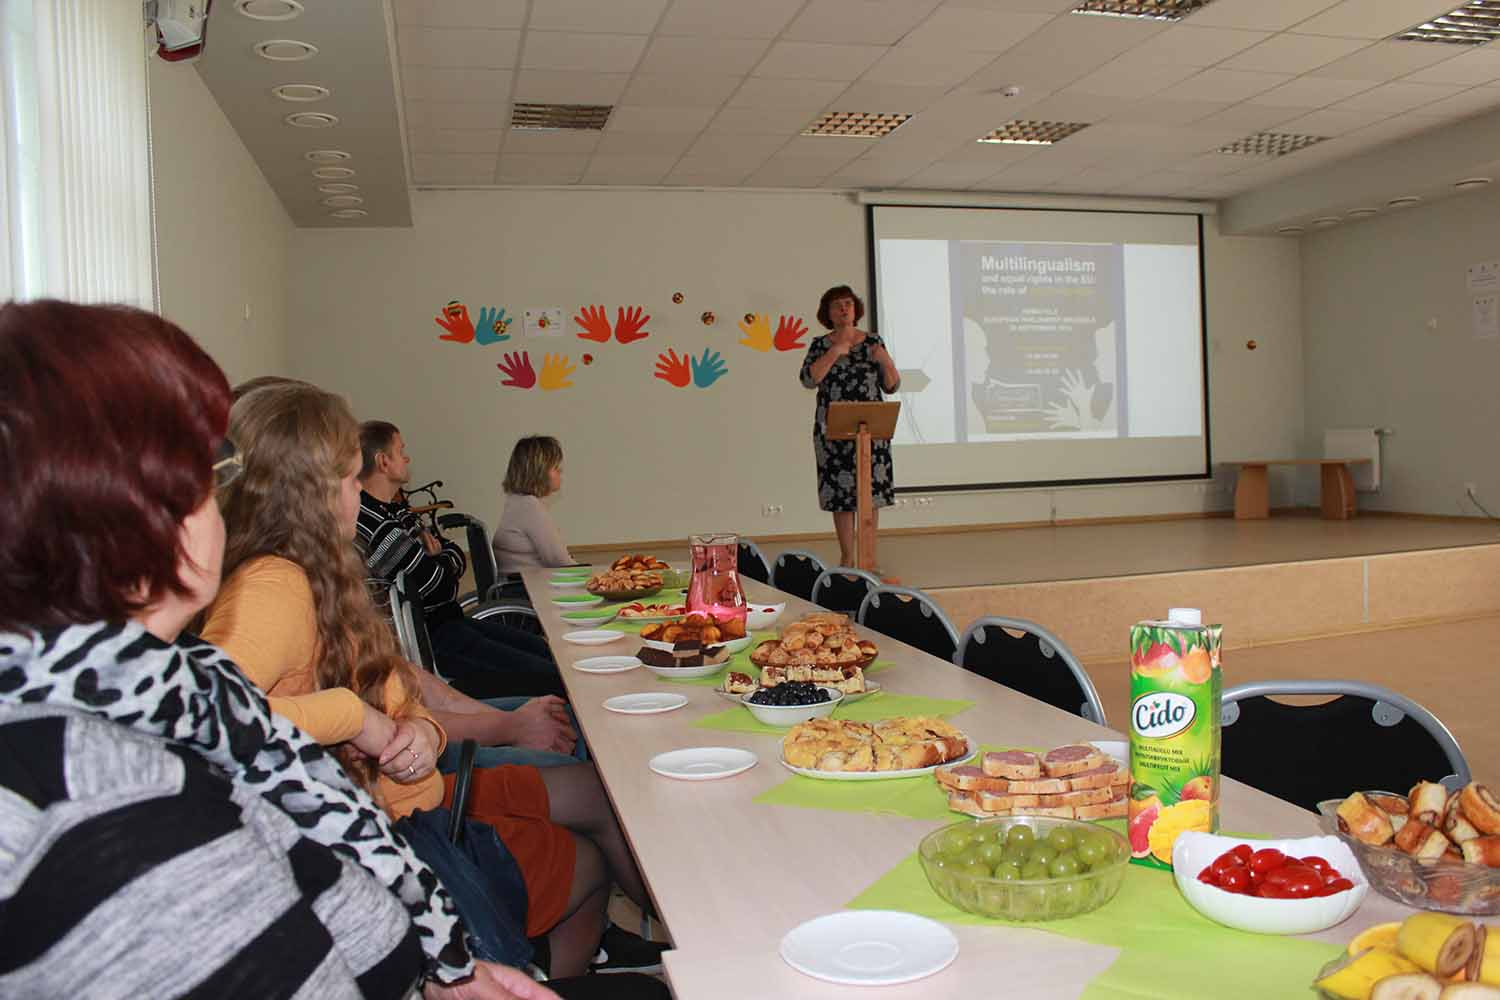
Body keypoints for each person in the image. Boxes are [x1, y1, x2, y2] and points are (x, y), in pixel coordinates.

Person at [0, 298, 552, 999]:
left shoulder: (180, 689)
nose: (222, 499)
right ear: (138, 515)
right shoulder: (112, 799)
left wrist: (445, 973)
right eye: (207, 473)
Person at [204, 384, 664, 979]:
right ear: (309, 491)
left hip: (416, 800)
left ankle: (584, 959)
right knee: (587, 850)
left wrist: (421, 728)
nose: (358, 493)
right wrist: (354, 717)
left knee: (593, 803)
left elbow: (397, 690)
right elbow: (211, 714)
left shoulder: (315, 575)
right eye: (349, 479)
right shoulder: (272, 587)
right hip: (402, 832)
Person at [357, 420, 568, 701]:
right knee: (557, 678)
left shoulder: (397, 511)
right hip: (437, 640)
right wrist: (439, 559)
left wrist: (438, 558)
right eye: (401, 451)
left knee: (548, 653)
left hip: (451, 622)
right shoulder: (378, 524)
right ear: (383, 462)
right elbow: (439, 584)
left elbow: (451, 554)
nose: (407, 458)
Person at [799, 285, 901, 571]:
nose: (843, 308)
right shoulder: (821, 345)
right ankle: (847, 558)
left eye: (848, 303)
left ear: (856, 310)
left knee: (870, 495)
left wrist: (885, 360)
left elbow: (892, 385)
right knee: (841, 496)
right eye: (837, 305)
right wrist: (834, 352)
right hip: (834, 431)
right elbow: (808, 379)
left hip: (871, 431)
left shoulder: (873, 342)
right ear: (828, 313)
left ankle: (869, 558)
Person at [492, 435, 576, 576]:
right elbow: (558, 561)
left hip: (519, 582)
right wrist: (596, 576)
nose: (560, 472)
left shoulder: (516, 502)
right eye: (555, 467)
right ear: (539, 472)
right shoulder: (529, 506)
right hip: (530, 585)